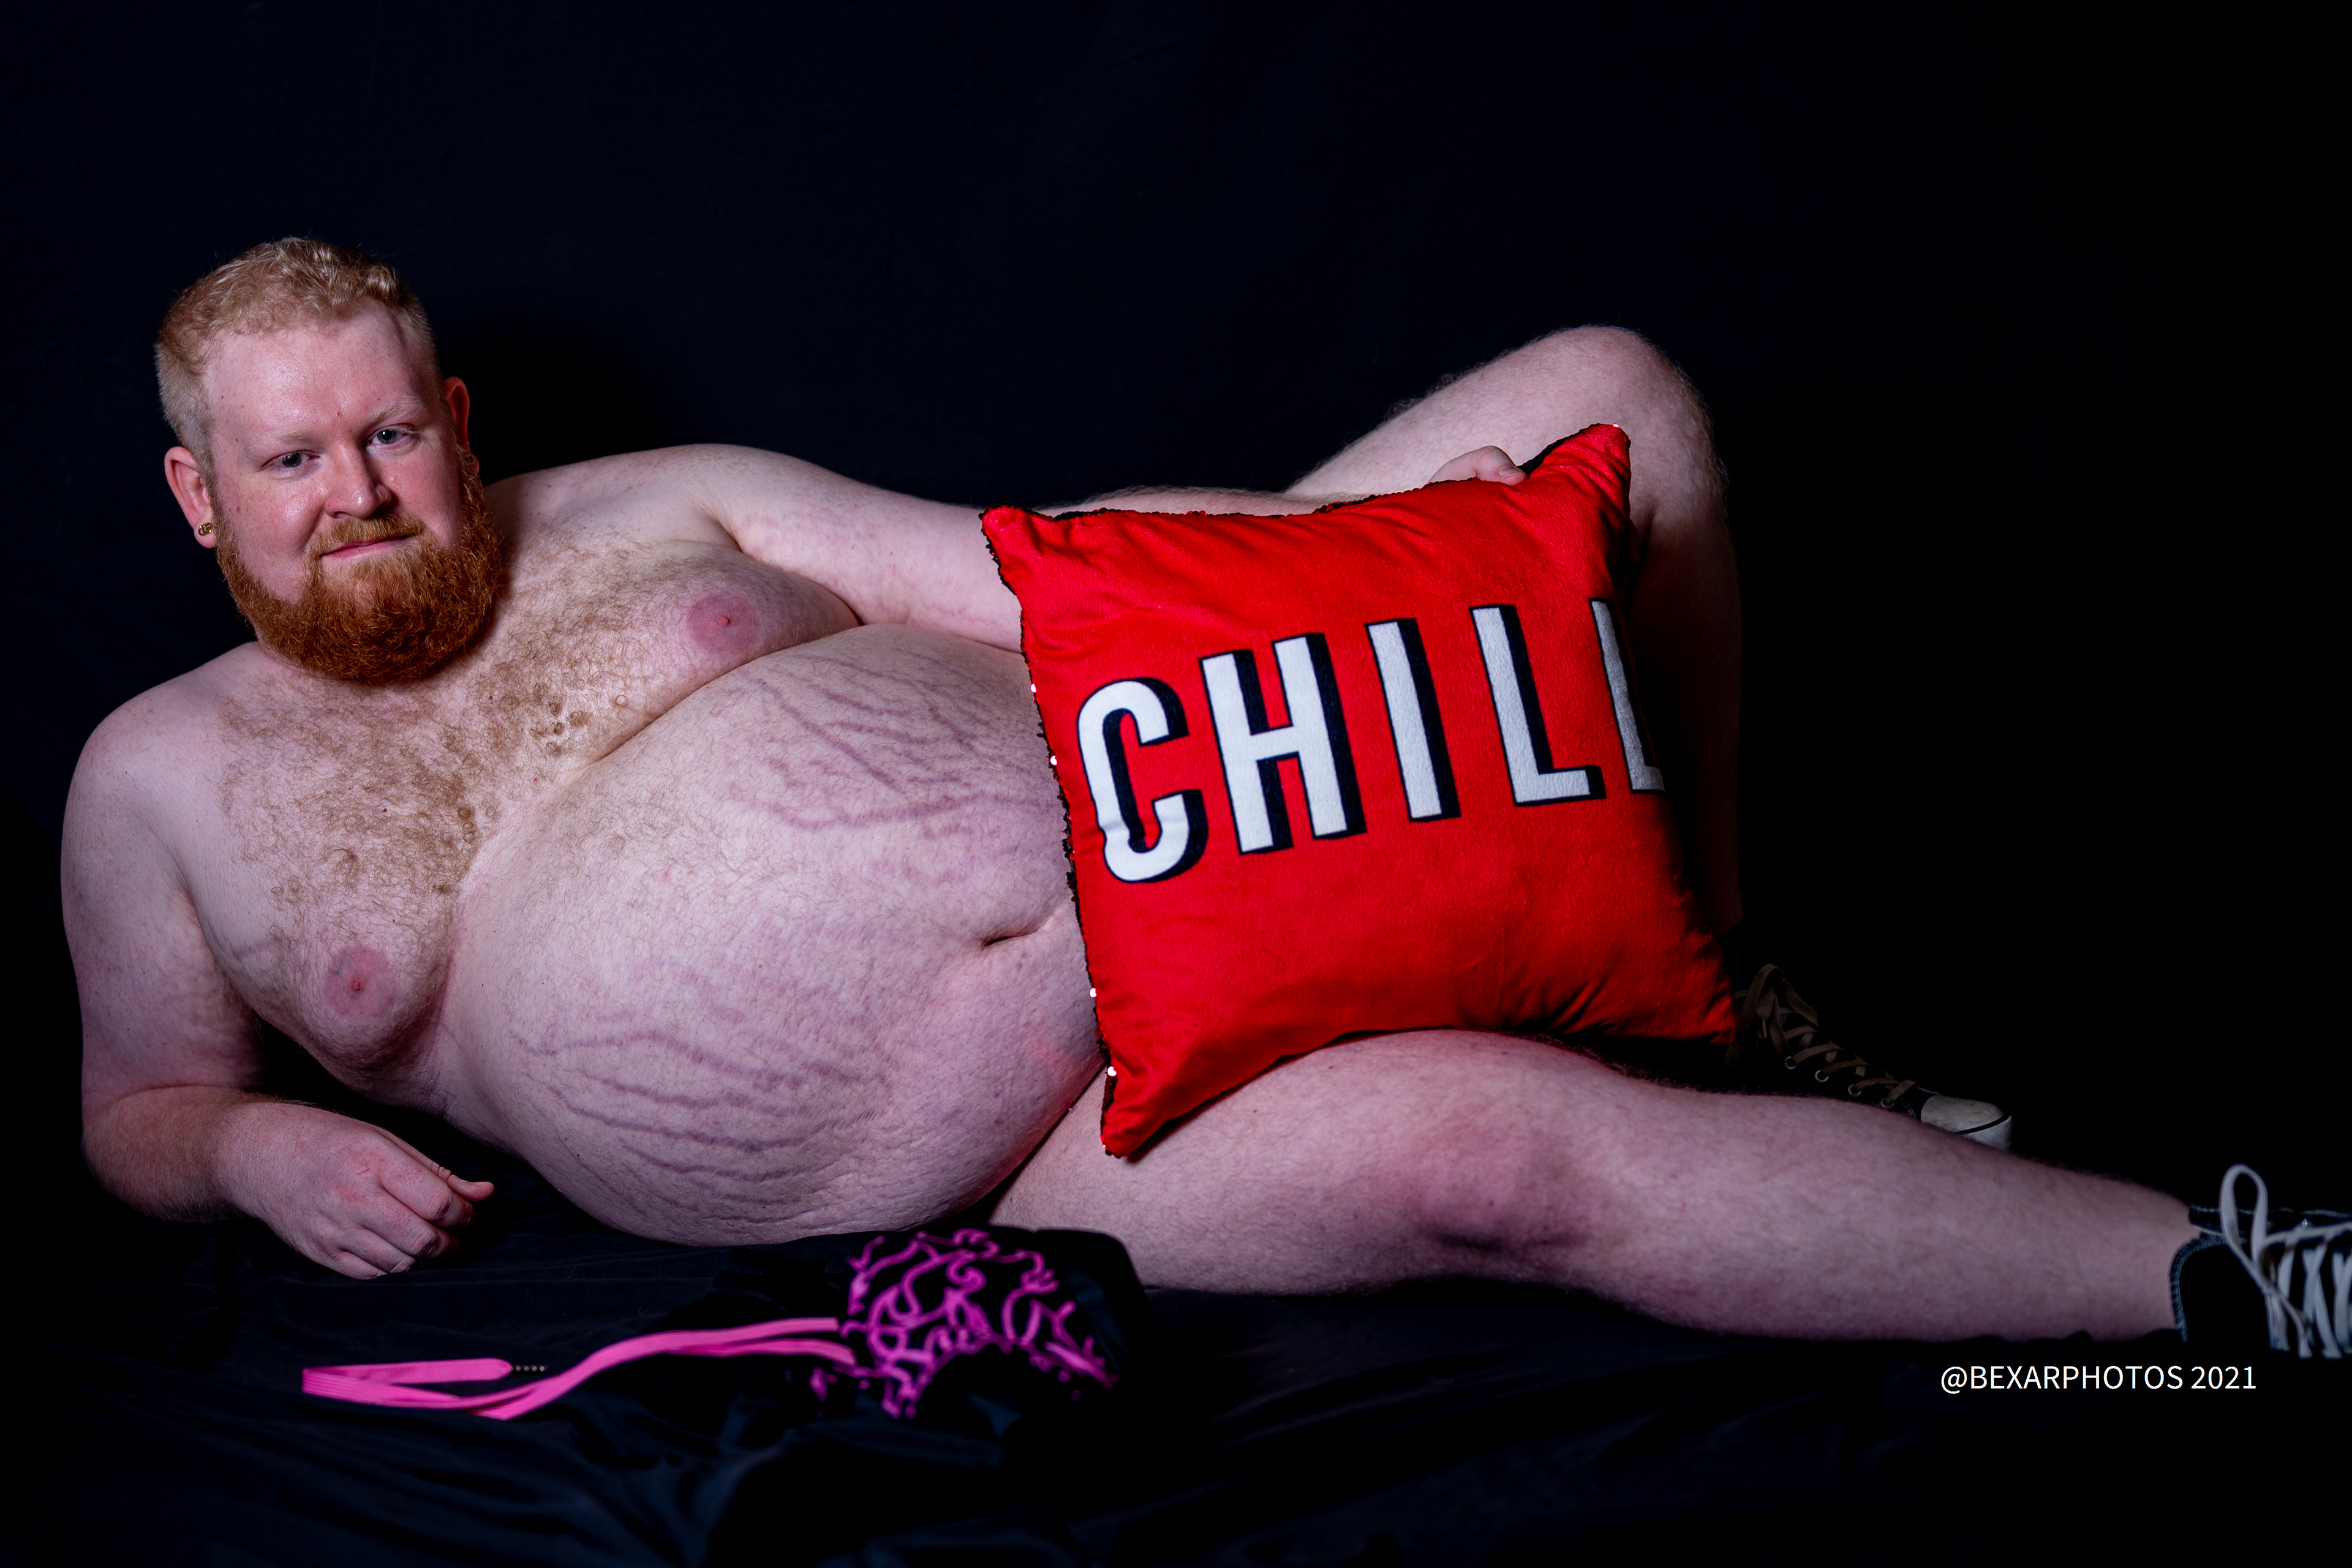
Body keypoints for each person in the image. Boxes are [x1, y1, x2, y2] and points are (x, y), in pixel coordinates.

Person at [65, 240, 2344, 1357]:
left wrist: (1395, 552)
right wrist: (254, 1153)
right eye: (295, 459)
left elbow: (1044, 573)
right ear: (199, 492)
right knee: (1498, 1167)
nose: (362, 493)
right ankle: (2191, 1288)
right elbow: (138, 1109)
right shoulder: (159, 777)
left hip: (1204, 828)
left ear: (453, 413)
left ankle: (1786, 1000)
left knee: (1607, 392)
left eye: (392, 431)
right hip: (1023, 1150)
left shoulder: (662, 499)